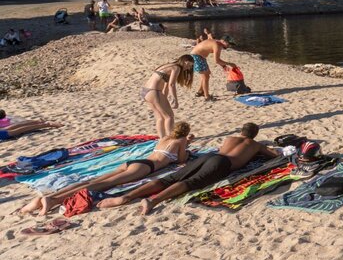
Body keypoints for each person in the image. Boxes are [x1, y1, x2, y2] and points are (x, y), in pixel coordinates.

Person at [98, 123, 279, 215]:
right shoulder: (255, 144)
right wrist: (263, 148)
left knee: (171, 178)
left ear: (241, 131)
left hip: (209, 157)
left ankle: (126, 196)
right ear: (254, 135)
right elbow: (275, 156)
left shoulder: (229, 139)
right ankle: (153, 201)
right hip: (223, 164)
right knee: (191, 183)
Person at [19, 122, 193, 216]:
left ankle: (50, 197)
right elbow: (181, 159)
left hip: (135, 161)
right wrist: (187, 143)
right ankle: (55, 200)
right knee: (104, 184)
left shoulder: (164, 138)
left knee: (94, 180)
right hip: (146, 167)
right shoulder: (181, 141)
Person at [142, 55, 194, 137]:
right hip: (154, 92)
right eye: (189, 65)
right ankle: (170, 138)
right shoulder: (177, 68)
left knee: (160, 117)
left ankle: (162, 138)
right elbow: (172, 84)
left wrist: (165, 99)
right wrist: (175, 99)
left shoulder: (168, 66)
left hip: (145, 92)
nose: (188, 68)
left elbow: (166, 87)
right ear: (185, 61)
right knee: (169, 117)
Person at [190, 34, 233, 100]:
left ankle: (200, 91)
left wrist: (224, 66)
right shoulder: (217, 45)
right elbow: (217, 60)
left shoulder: (217, 42)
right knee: (205, 77)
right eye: (229, 44)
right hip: (196, 56)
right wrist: (230, 64)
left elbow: (217, 60)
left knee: (207, 74)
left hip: (199, 56)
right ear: (224, 41)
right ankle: (207, 96)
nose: (229, 46)